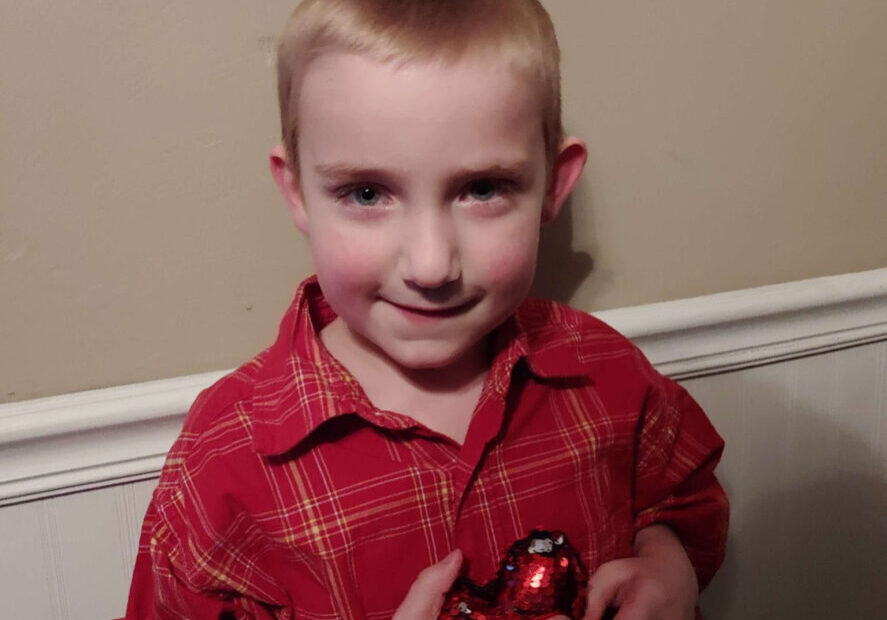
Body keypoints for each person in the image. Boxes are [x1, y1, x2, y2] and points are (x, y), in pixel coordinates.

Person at [122, 1, 728, 618]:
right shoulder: (227, 462)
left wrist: (666, 566)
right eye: (366, 193)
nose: (432, 265)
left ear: (553, 186)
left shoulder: (608, 373)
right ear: (297, 192)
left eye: (483, 189)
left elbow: (680, 501)